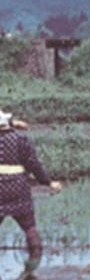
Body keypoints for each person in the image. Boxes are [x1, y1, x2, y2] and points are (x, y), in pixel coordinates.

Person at [0, 109, 62, 266]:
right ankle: (35, 259)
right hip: (18, 187)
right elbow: (34, 164)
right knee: (29, 226)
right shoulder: (21, 140)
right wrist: (48, 182)